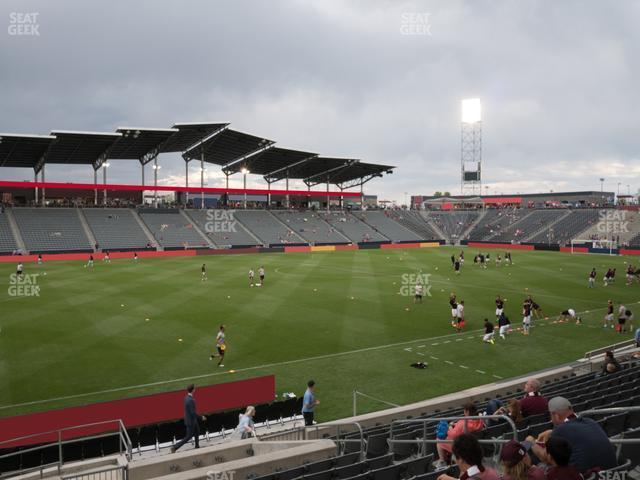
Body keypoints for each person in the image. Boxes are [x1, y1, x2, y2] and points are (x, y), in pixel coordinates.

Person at [527, 397, 616, 474]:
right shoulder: (590, 421)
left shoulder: (561, 430)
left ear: (556, 415)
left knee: (537, 466)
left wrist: (531, 442)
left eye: (551, 415)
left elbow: (546, 457)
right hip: (613, 472)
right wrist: (552, 431)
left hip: (585, 476)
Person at [171, 384, 206, 452]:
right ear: (193, 390)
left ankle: (197, 445)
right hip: (191, 421)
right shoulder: (190, 400)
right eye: (194, 389)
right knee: (188, 436)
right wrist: (201, 417)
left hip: (192, 420)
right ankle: (175, 447)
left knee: (197, 431)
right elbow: (193, 413)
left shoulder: (186, 397)